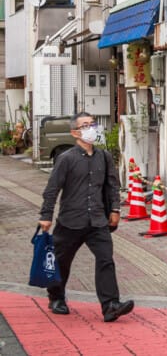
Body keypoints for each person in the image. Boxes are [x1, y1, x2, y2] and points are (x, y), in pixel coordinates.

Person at [38, 111, 135, 322]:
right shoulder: (66, 159)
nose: (91, 128)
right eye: (85, 125)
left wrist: (115, 210)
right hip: (70, 221)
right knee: (61, 262)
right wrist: (46, 216)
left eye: (93, 124)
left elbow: (112, 186)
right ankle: (56, 297)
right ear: (75, 132)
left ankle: (110, 305)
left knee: (105, 260)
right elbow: (52, 189)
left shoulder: (104, 157)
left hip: (98, 221)